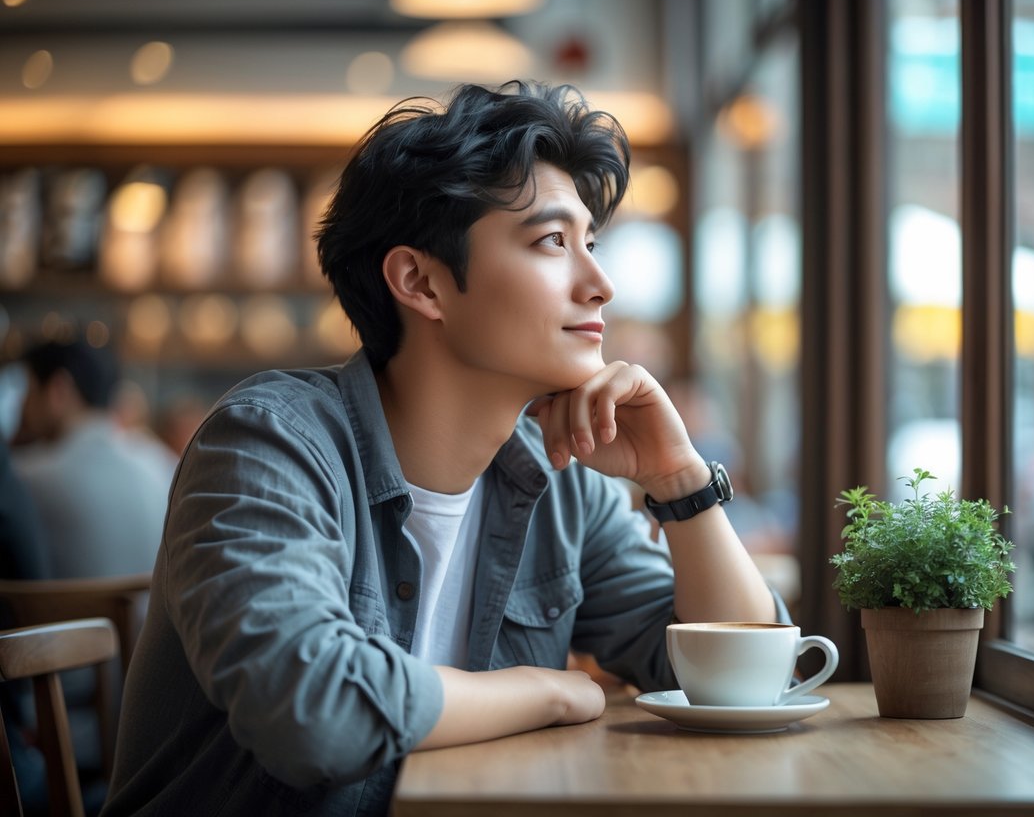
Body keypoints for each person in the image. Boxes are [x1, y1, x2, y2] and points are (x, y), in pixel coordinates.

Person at [102, 81, 789, 816]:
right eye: (552, 242)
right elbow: (314, 717)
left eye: (591, 244)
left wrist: (678, 480)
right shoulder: (269, 444)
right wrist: (540, 690)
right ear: (420, 282)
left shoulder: (556, 483)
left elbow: (745, 678)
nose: (601, 285)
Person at [10, 338, 176, 579]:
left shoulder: (27, 476)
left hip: (68, 617)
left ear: (59, 389)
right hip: (150, 616)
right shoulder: (162, 463)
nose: (22, 405)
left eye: (29, 390)